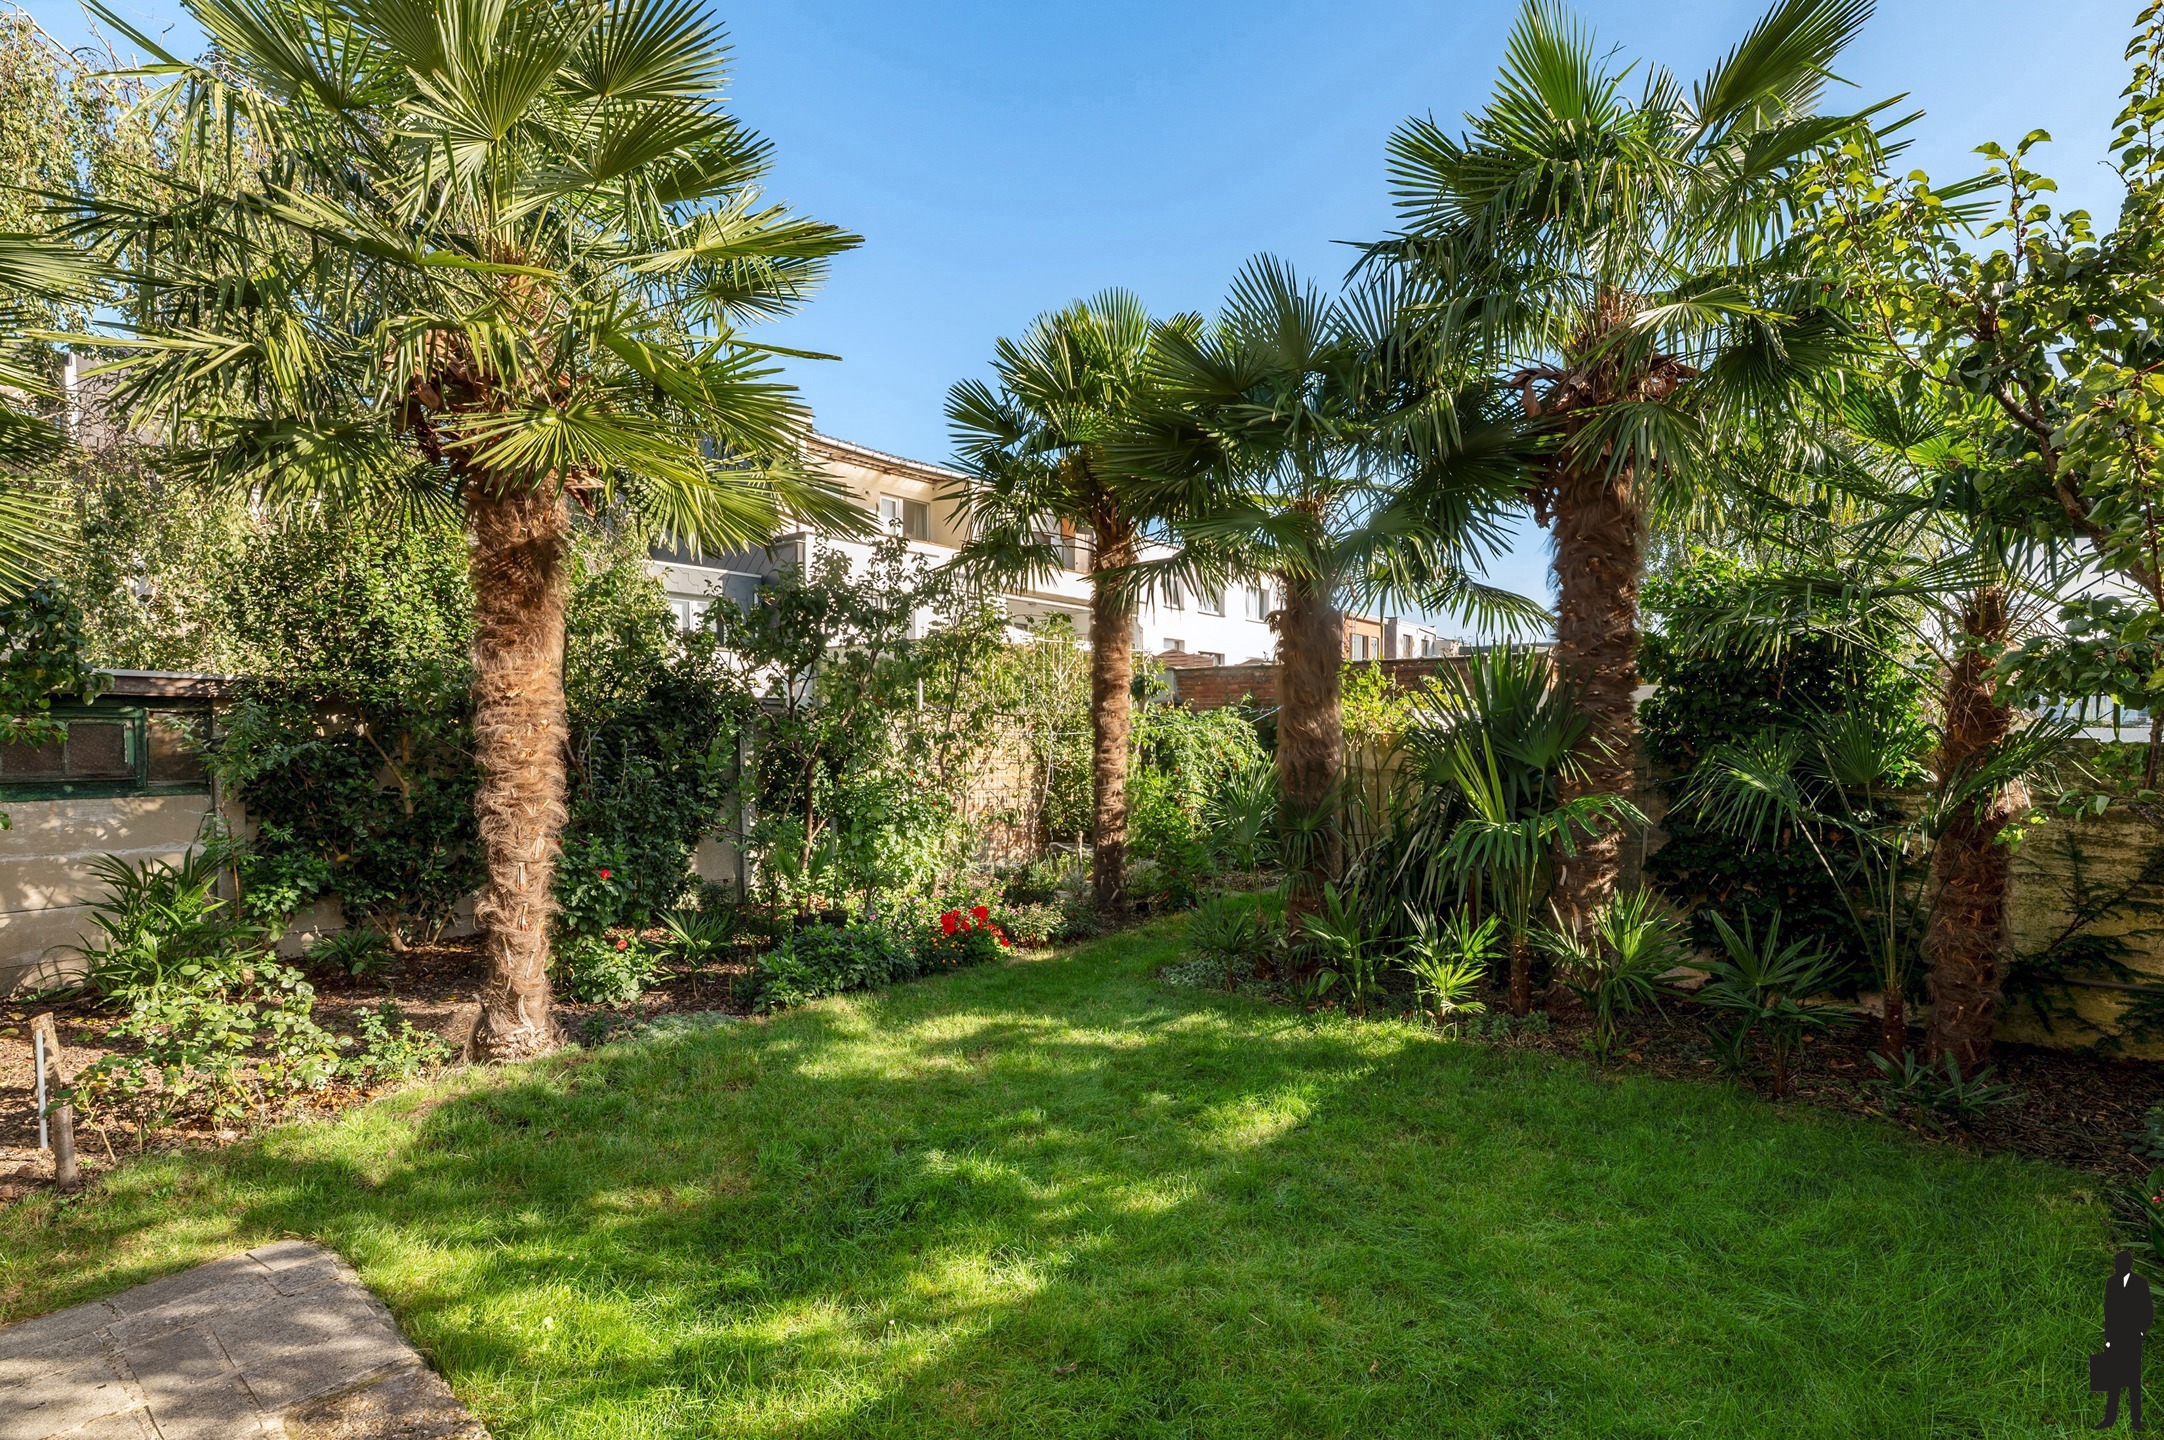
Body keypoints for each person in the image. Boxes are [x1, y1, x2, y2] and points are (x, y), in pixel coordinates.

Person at [2099, 1248, 2154, 1430]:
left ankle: (2136, 1422)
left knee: (2133, 1381)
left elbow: (2148, 1311)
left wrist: (2140, 1333)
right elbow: (2109, 1312)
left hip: (2132, 1338)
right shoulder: (2111, 1283)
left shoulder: (2140, 1283)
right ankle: (2109, 1419)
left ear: (2128, 1265)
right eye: (2116, 1264)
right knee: (2113, 1379)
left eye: (2120, 1264)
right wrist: (2108, 1338)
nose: (2117, 1267)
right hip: (2115, 1338)